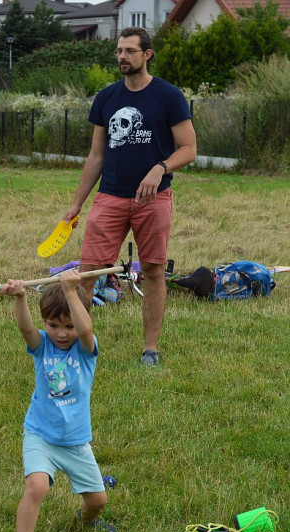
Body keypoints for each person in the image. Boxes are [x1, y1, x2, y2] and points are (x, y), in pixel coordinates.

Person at [63, 27, 196, 367]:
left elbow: (189, 148)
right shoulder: (107, 97)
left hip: (154, 200)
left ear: (147, 54)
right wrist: (77, 202)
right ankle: (77, 344)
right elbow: (96, 156)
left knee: (152, 271)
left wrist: (160, 168)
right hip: (110, 197)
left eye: (129, 51)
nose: (122, 56)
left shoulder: (168, 96)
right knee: (87, 272)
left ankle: (150, 349)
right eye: (119, 51)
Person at [1, 269, 116, 532]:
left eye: (68, 326)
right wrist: (20, 297)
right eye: (53, 325)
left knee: (98, 501)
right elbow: (26, 330)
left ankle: (86, 521)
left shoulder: (85, 349)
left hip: (76, 441)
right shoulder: (42, 346)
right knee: (37, 485)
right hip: (41, 434)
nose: (61, 334)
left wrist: (69, 291)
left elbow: (86, 330)